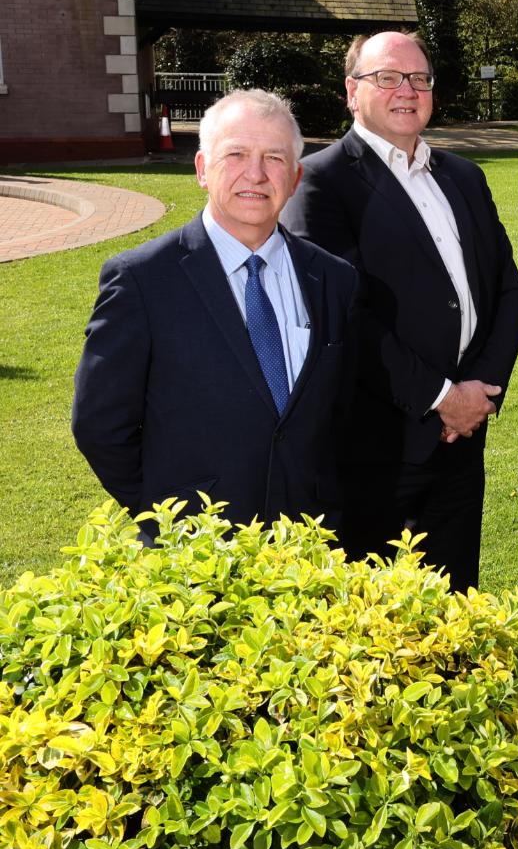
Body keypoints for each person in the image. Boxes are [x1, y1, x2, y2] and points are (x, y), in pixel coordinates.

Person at [282, 31, 518, 591]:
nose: (407, 90)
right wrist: (441, 398)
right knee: (373, 611)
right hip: (376, 447)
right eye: (388, 77)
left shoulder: (464, 177)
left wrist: (479, 391)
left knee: (457, 599)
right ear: (352, 92)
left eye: (419, 78)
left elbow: (508, 290)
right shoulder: (319, 182)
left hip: (463, 438)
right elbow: (344, 316)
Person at [72, 90, 359, 539]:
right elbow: (100, 425)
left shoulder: (334, 279)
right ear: (202, 169)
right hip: (195, 549)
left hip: (310, 543)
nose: (255, 174)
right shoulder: (141, 280)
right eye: (236, 154)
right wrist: (166, 515)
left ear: (296, 176)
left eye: (274, 158)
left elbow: (341, 414)